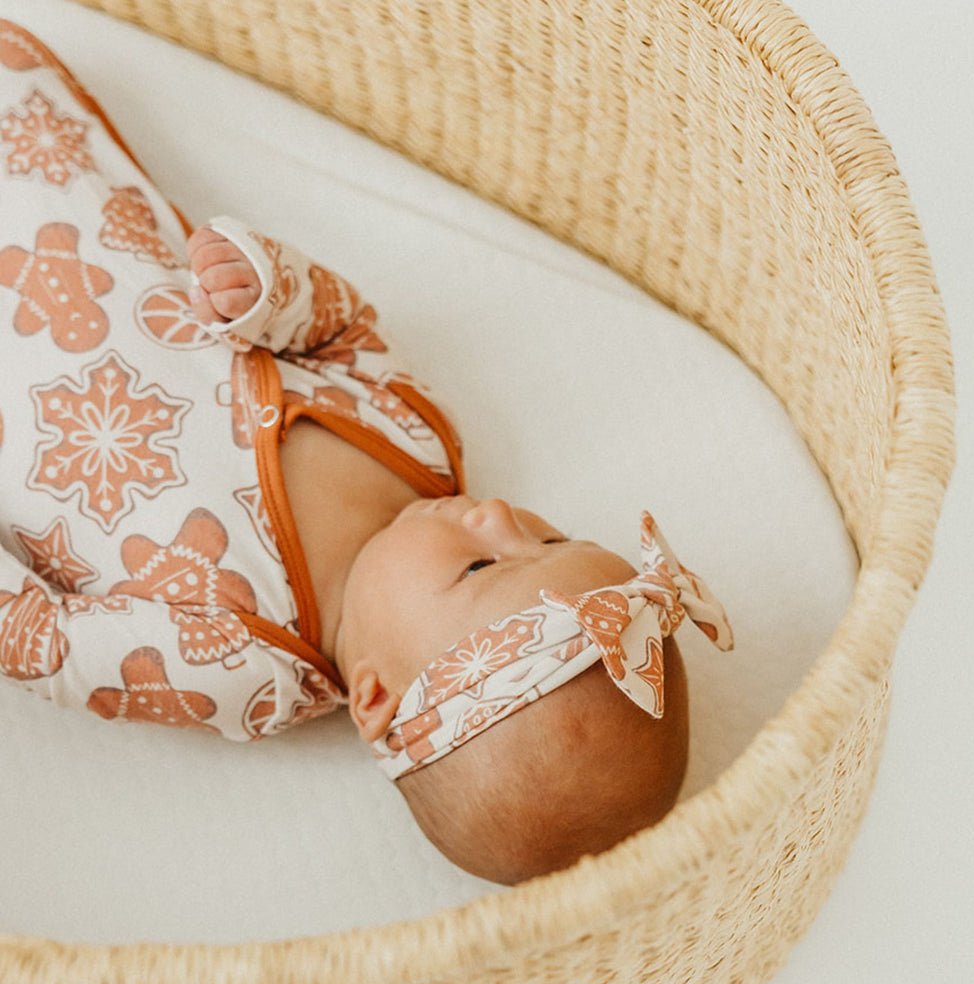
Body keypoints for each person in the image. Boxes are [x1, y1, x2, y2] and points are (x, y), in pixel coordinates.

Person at [0, 18, 734, 885]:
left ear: (379, 696)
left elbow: (43, 639)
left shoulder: (244, 668)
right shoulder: (420, 445)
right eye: (548, 537)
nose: (497, 515)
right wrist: (264, 290)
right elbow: (342, 330)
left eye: (477, 568)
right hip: (66, 223)